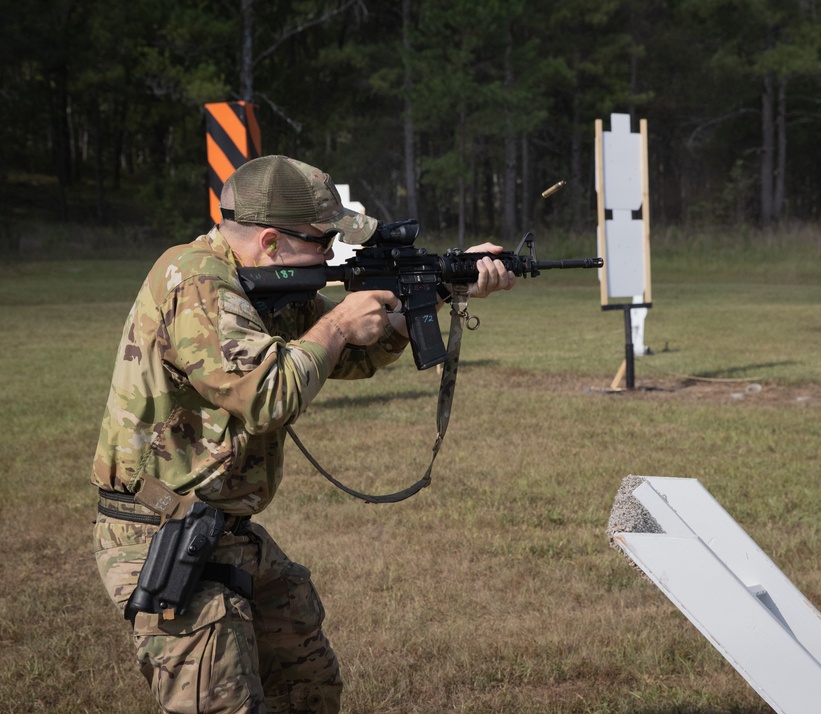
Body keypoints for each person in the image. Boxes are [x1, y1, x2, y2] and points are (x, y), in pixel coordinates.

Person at [90, 155, 515, 713]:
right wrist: (337, 323)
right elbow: (268, 396)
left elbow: (346, 359)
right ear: (271, 241)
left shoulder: (265, 285)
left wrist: (438, 287)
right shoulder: (197, 283)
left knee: (308, 685)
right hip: (161, 534)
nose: (332, 256)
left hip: (223, 528)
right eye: (322, 241)